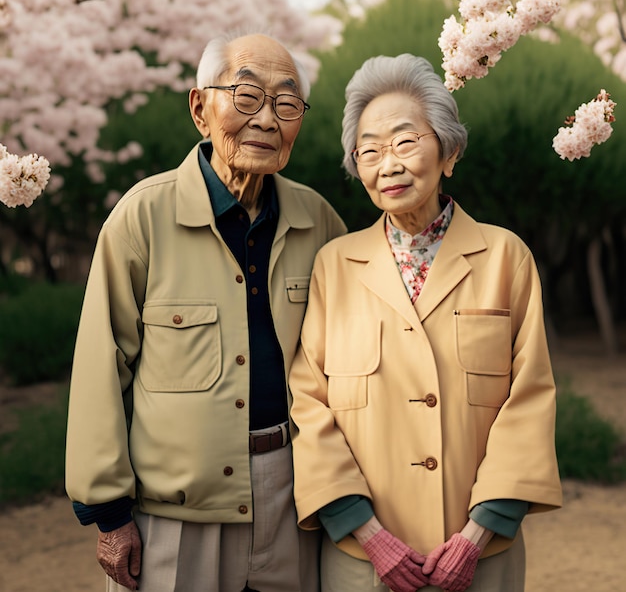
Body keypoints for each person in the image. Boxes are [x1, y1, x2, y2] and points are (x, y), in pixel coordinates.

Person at [65, 31, 346, 592]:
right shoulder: (142, 216)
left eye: (286, 104)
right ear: (200, 107)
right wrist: (110, 513)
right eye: (246, 97)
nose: (267, 120)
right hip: (176, 512)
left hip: (297, 495)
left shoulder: (320, 222)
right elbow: (101, 366)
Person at [289, 53, 563, 592]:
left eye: (405, 141)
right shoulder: (334, 266)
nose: (387, 163)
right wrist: (367, 533)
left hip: (481, 557)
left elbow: (528, 401)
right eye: (368, 150)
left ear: (449, 152)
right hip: (361, 559)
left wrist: (476, 537)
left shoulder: (506, 258)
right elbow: (309, 402)